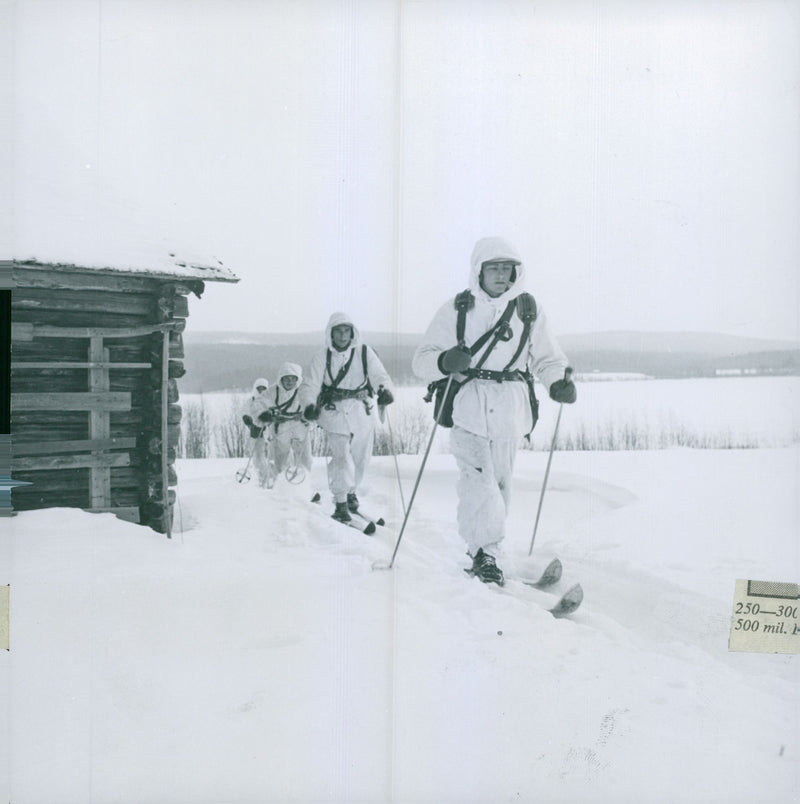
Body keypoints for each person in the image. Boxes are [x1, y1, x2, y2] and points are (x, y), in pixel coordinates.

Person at [412, 236, 576, 585]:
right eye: (494, 268)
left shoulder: (529, 309)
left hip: (510, 411)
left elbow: (547, 357)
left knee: (499, 484)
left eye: (508, 268)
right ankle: (487, 551)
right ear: (478, 271)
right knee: (480, 483)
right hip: (468, 406)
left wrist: (558, 381)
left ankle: (482, 550)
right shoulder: (456, 309)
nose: (502, 275)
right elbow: (421, 361)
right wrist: (444, 361)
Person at [299, 312, 395, 523]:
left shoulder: (364, 353)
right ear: (330, 334)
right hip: (334, 412)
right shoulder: (321, 357)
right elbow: (310, 384)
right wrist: (308, 405)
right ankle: (340, 501)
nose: (343, 336)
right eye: (338, 331)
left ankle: (352, 493)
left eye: (346, 331)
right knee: (341, 457)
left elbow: (380, 374)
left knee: (360, 457)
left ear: (353, 333)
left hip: (361, 411)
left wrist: (384, 390)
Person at [261, 362, 313, 478]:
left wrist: (311, 414)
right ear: (281, 379)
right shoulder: (273, 391)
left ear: (297, 380)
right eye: (286, 379)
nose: (289, 382)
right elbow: (259, 403)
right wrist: (265, 414)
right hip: (281, 427)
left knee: (304, 458)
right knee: (280, 459)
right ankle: (280, 484)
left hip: (300, 426)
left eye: (293, 379)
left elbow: (314, 403)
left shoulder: (304, 390)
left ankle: (303, 483)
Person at [241, 377, 273, 488]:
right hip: (255, 431)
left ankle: (270, 478)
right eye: (259, 388)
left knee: (268, 455)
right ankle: (261, 478)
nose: (261, 391)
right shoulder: (251, 401)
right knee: (257, 456)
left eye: (264, 388)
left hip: (268, 433)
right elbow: (245, 412)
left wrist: (269, 420)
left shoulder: (269, 401)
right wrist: (247, 419)